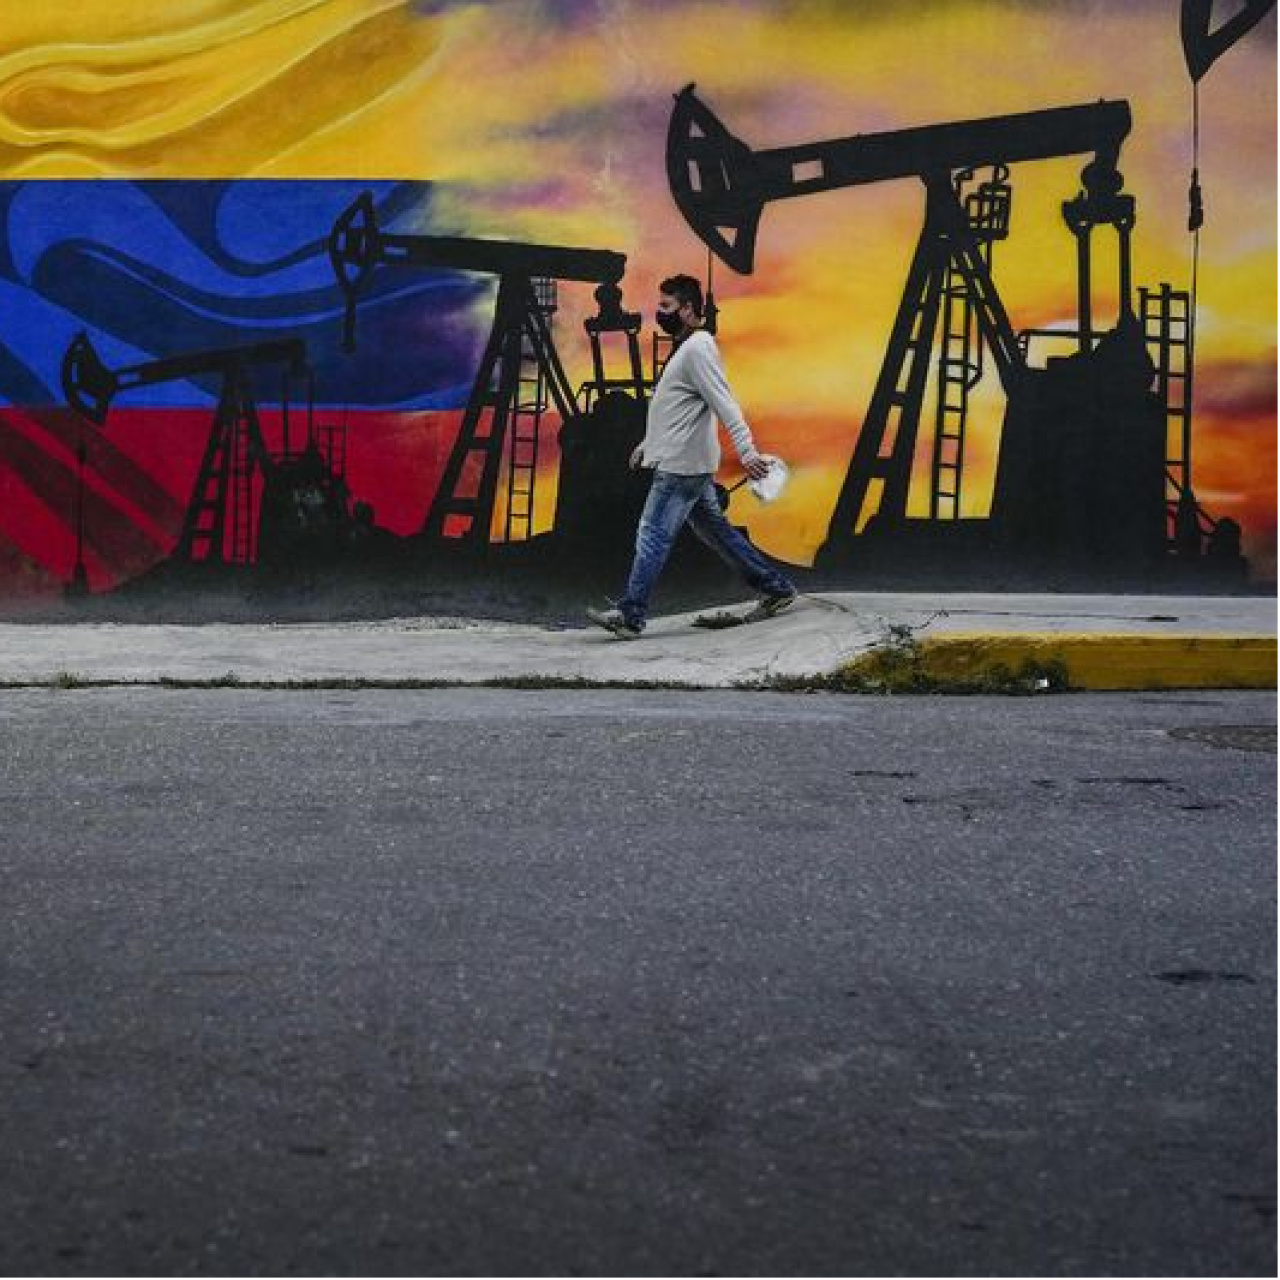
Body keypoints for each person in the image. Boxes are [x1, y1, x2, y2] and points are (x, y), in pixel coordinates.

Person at [586, 274, 797, 639]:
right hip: (686, 463)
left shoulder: (698, 349)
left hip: (680, 467)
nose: (660, 312)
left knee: (652, 533)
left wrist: (747, 451)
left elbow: (724, 403)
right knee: (717, 531)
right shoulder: (686, 348)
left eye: (666, 306)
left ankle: (631, 615)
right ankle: (776, 588)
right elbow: (676, 408)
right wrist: (648, 445)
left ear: (686, 309)